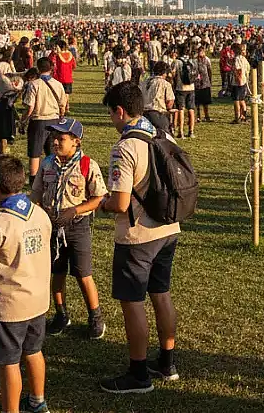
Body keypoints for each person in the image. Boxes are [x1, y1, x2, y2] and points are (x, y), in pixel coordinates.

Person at [99, 81, 181, 394]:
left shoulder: (125, 148)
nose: (112, 120)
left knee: (132, 302)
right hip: (168, 227)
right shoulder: (163, 134)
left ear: (120, 111)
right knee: (161, 293)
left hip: (138, 235)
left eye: (111, 113)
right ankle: (167, 362)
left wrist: (102, 203)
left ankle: (138, 373)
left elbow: (120, 203)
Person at [0, 155, 53, 413]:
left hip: (10, 306)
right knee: (34, 351)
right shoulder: (39, 212)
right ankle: (38, 401)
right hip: (38, 300)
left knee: (9, 362)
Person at [31, 118, 107, 339]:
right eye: (53, 137)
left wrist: (74, 210)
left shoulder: (87, 165)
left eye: (61, 138)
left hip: (77, 227)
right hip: (52, 227)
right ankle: (61, 314)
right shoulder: (47, 164)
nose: (55, 142)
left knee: (83, 273)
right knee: (56, 272)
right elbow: (36, 193)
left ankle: (95, 317)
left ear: (76, 142)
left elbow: (99, 198)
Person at [21, 58, 67, 178]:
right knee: (53, 152)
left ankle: (33, 178)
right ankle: (53, 177)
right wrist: (61, 117)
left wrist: (23, 120)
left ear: (38, 68)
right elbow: (63, 105)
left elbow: (30, 107)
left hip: (38, 121)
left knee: (35, 153)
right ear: (51, 68)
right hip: (54, 121)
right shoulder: (58, 84)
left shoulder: (34, 84)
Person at [141, 61, 175, 135]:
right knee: (164, 137)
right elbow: (170, 102)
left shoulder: (144, 82)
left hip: (143, 115)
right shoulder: (165, 84)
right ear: (164, 72)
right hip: (158, 114)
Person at [173, 44, 197, 139]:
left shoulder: (177, 62)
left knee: (181, 109)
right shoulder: (192, 61)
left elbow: (173, 73)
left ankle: (181, 131)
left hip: (181, 87)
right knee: (191, 109)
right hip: (191, 87)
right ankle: (191, 131)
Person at [192, 44, 214, 123]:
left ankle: (207, 116)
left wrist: (210, 80)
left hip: (205, 82)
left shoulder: (207, 59)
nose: (201, 53)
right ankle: (198, 116)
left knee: (206, 101)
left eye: (202, 51)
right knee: (197, 101)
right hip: (197, 83)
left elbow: (209, 70)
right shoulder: (195, 60)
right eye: (200, 51)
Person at [231, 42, 251, 124]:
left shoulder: (237, 59)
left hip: (238, 82)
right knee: (242, 100)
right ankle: (243, 116)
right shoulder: (244, 59)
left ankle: (237, 117)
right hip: (244, 81)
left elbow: (238, 70)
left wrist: (238, 80)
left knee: (236, 100)